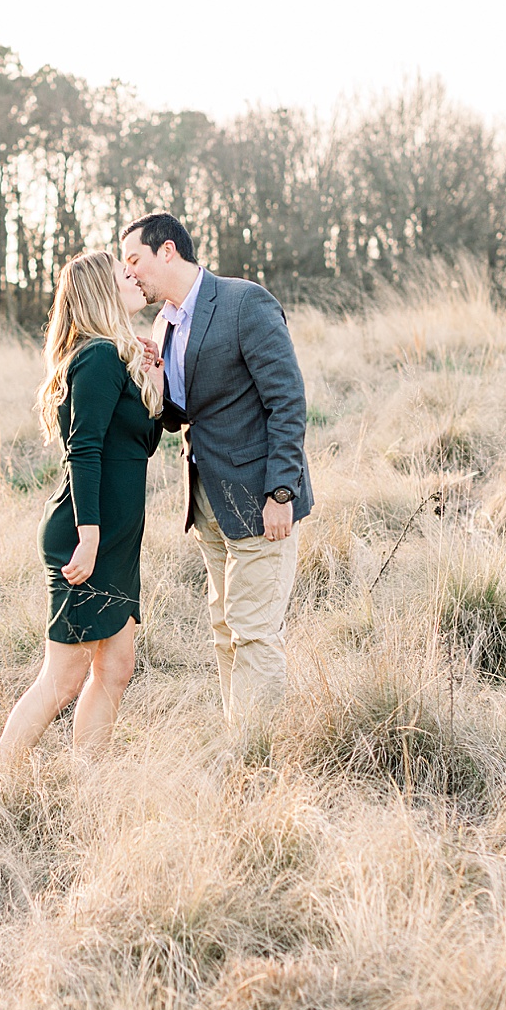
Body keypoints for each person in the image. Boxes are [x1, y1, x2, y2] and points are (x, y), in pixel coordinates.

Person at [120, 211, 313, 739]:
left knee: (255, 633)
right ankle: (239, 738)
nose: (130, 273)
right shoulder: (164, 325)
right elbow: (185, 415)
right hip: (206, 500)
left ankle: (261, 755)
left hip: (258, 497)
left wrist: (281, 491)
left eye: (134, 259)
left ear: (167, 251)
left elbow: (288, 402)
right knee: (226, 630)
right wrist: (158, 382)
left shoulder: (243, 302)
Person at [0, 250, 165, 770]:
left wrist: (152, 377)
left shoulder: (119, 356)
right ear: (100, 292)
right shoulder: (95, 357)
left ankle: (88, 782)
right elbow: (83, 450)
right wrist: (88, 536)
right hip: (84, 534)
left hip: (114, 538)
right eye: (123, 274)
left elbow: (141, 445)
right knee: (62, 677)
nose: (134, 277)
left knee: (116, 669)